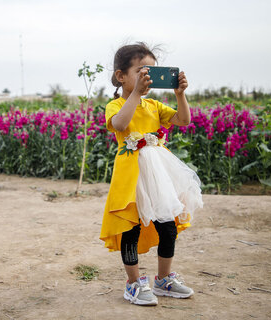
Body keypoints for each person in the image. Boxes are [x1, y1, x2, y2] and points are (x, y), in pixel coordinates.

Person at [99, 42, 204, 306]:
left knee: (168, 227)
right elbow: (121, 123)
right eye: (141, 71)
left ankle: (163, 280)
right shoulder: (116, 105)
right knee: (130, 228)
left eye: (152, 72)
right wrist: (135, 95)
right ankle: (133, 284)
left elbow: (183, 120)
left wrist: (180, 94)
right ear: (121, 76)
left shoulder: (155, 105)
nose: (148, 77)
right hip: (131, 175)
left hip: (157, 174)